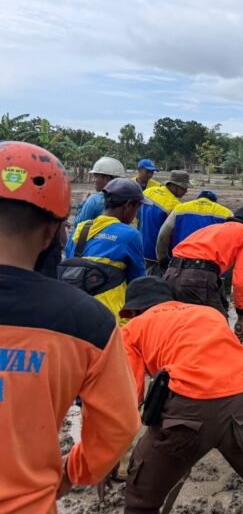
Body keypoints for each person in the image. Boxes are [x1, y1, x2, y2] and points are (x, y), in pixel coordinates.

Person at [0, 142, 140, 513]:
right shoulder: (87, 323)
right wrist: (73, 472)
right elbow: (119, 424)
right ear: (53, 231)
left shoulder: (91, 229)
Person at [120, 277, 243, 514]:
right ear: (170, 299)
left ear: (135, 309)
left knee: (140, 500)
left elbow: (128, 396)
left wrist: (112, 455)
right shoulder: (208, 314)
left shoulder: (133, 328)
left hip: (187, 410)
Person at [165, 206, 243, 343]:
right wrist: (241, 316)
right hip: (198, 278)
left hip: (170, 275)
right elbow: (241, 281)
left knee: (180, 329)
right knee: (218, 331)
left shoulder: (213, 229)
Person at [62, 178, 147, 325]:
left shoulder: (80, 229)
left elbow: (69, 264)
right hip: (111, 318)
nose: (136, 213)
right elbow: (138, 282)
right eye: (137, 208)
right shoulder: (130, 235)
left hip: (75, 312)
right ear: (128, 206)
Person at [155, 190, 232, 267]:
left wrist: (162, 258)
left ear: (197, 199)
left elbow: (163, 234)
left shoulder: (180, 209)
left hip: (180, 261)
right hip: (210, 264)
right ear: (214, 202)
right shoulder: (226, 213)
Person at [140, 170, 190, 274]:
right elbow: (169, 234)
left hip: (139, 248)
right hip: (156, 255)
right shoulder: (174, 205)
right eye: (184, 188)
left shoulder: (148, 192)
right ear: (175, 186)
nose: (186, 192)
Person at [72, 156, 126, 228]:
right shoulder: (131, 201)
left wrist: (83, 204)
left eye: (96, 176)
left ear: (106, 178)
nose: (94, 180)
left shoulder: (94, 200)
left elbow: (78, 224)